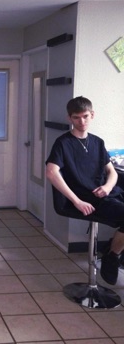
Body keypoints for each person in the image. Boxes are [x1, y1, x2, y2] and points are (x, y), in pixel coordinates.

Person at [46, 96, 124, 286]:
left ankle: (113, 250)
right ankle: (113, 255)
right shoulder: (63, 143)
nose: (81, 121)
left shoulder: (98, 142)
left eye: (85, 116)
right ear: (69, 118)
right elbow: (51, 172)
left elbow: (112, 172)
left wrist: (107, 187)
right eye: (76, 117)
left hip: (107, 193)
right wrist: (77, 201)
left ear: (92, 115)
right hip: (87, 198)